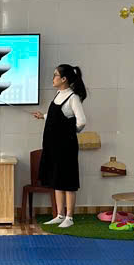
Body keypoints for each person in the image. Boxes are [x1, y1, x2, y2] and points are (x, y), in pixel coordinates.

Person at [33, 64, 87, 229]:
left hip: (66, 147)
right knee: (57, 180)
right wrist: (43, 116)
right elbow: (58, 116)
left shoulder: (73, 97)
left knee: (68, 181)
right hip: (53, 146)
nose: (53, 78)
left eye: (55, 75)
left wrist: (69, 132)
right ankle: (59, 215)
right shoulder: (58, 94)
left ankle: (69, 217)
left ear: (64, 79)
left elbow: (81, 121)